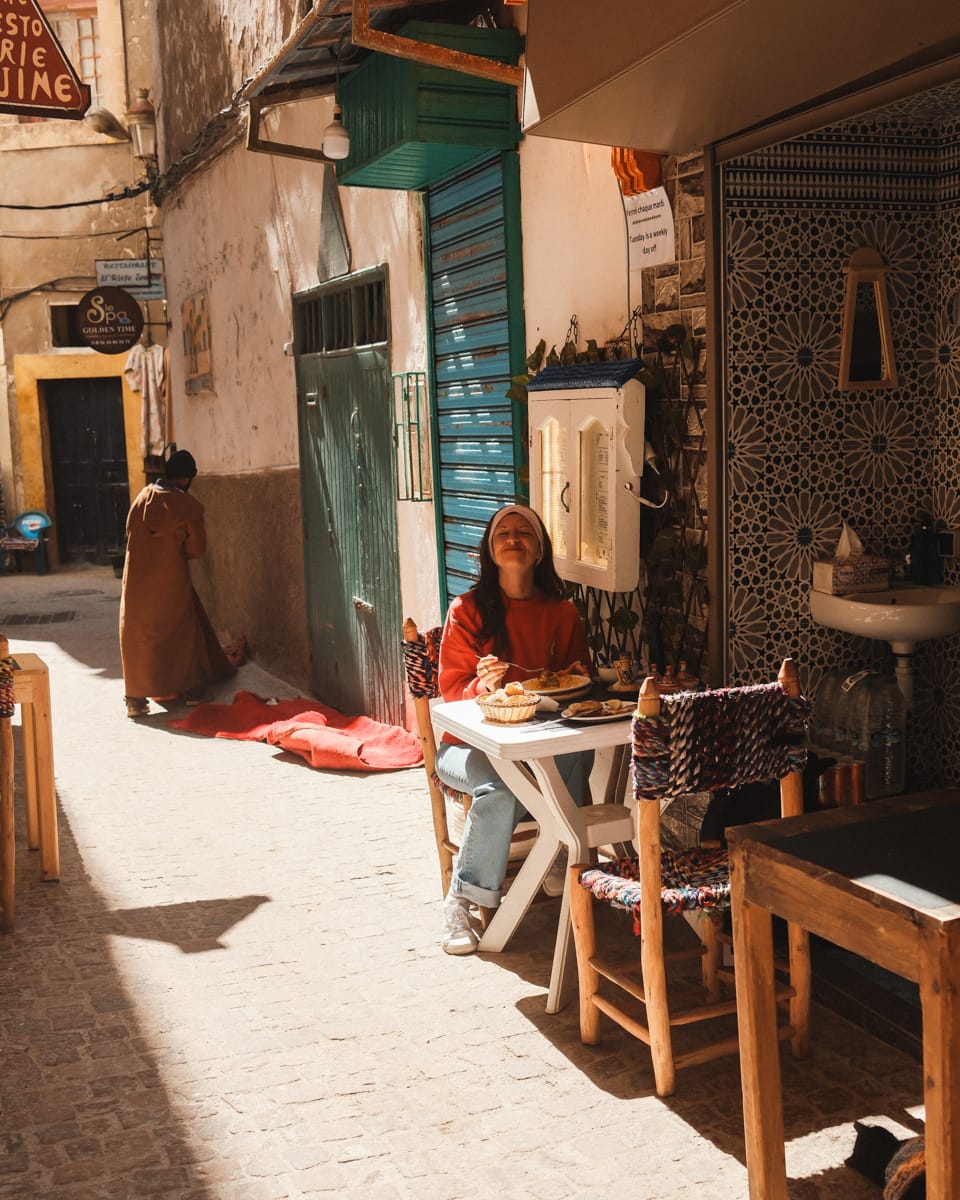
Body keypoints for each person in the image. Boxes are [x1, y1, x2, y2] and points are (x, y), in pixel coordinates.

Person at [435, 503, 594, 954]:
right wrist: (481, 686)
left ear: (539, 549)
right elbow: (451, 693)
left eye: (524, 531)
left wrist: (579, 672)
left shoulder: (562, 612)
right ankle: (464, 901)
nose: (513, 536)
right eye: (503, 531)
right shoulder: (465, 611)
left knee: (578, 750)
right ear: (490, 548)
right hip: (467, 747)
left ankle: (560, 857)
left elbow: (575, 679)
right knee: (500, 791)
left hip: (537, 741)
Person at [119, 448, 233, 718]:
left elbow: (129, 530)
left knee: (138, 633)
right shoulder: (187, 507)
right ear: (187, 479)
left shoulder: (141, 498)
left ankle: (135, 700)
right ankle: (192, 691)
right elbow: (195, 550)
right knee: (179, 630)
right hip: (171, 580)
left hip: (135, 582)